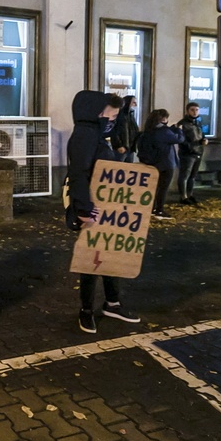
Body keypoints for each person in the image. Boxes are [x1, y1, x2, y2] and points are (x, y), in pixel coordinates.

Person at [66, 91, 140, 334]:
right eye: (112, 115)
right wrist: (85, 210)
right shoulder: (85, 136)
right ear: (97, 113)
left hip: (106, 207)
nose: (114, 120)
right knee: (91, 258)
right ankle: (86, 310)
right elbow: (79, 174)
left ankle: (112, 303)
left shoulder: (95, 134)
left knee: (109, 252)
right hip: (93, 209)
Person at [136, 109, 184, 220]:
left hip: (153, 163)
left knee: (153, 187)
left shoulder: (148, 131)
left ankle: (151, 208)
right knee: (163, 188)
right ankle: (160, 210)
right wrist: (179, 130)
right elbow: (179, 139)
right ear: (163, 119)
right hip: (166, 163)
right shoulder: (164, 132)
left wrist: (171, 128)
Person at [176, 102, 209, 205]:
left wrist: (204, 140)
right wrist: (190, 147)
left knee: (193, 176)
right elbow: (181, 139)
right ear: (187, 111)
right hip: (188, 153)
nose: (195, 112)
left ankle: (190, 194)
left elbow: (202, 134)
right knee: (185, 175)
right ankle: (183, 196)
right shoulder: (183, 123)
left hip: (198, 150)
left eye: (197, 110)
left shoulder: (198, 122)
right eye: (192, 110)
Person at [110, 95, 139, 163]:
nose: (135, 105)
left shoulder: (130, 116)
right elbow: (114, 131)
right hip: (122, 147)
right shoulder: (119, 115)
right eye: (133, 102)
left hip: (130, 147)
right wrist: (119, 145)